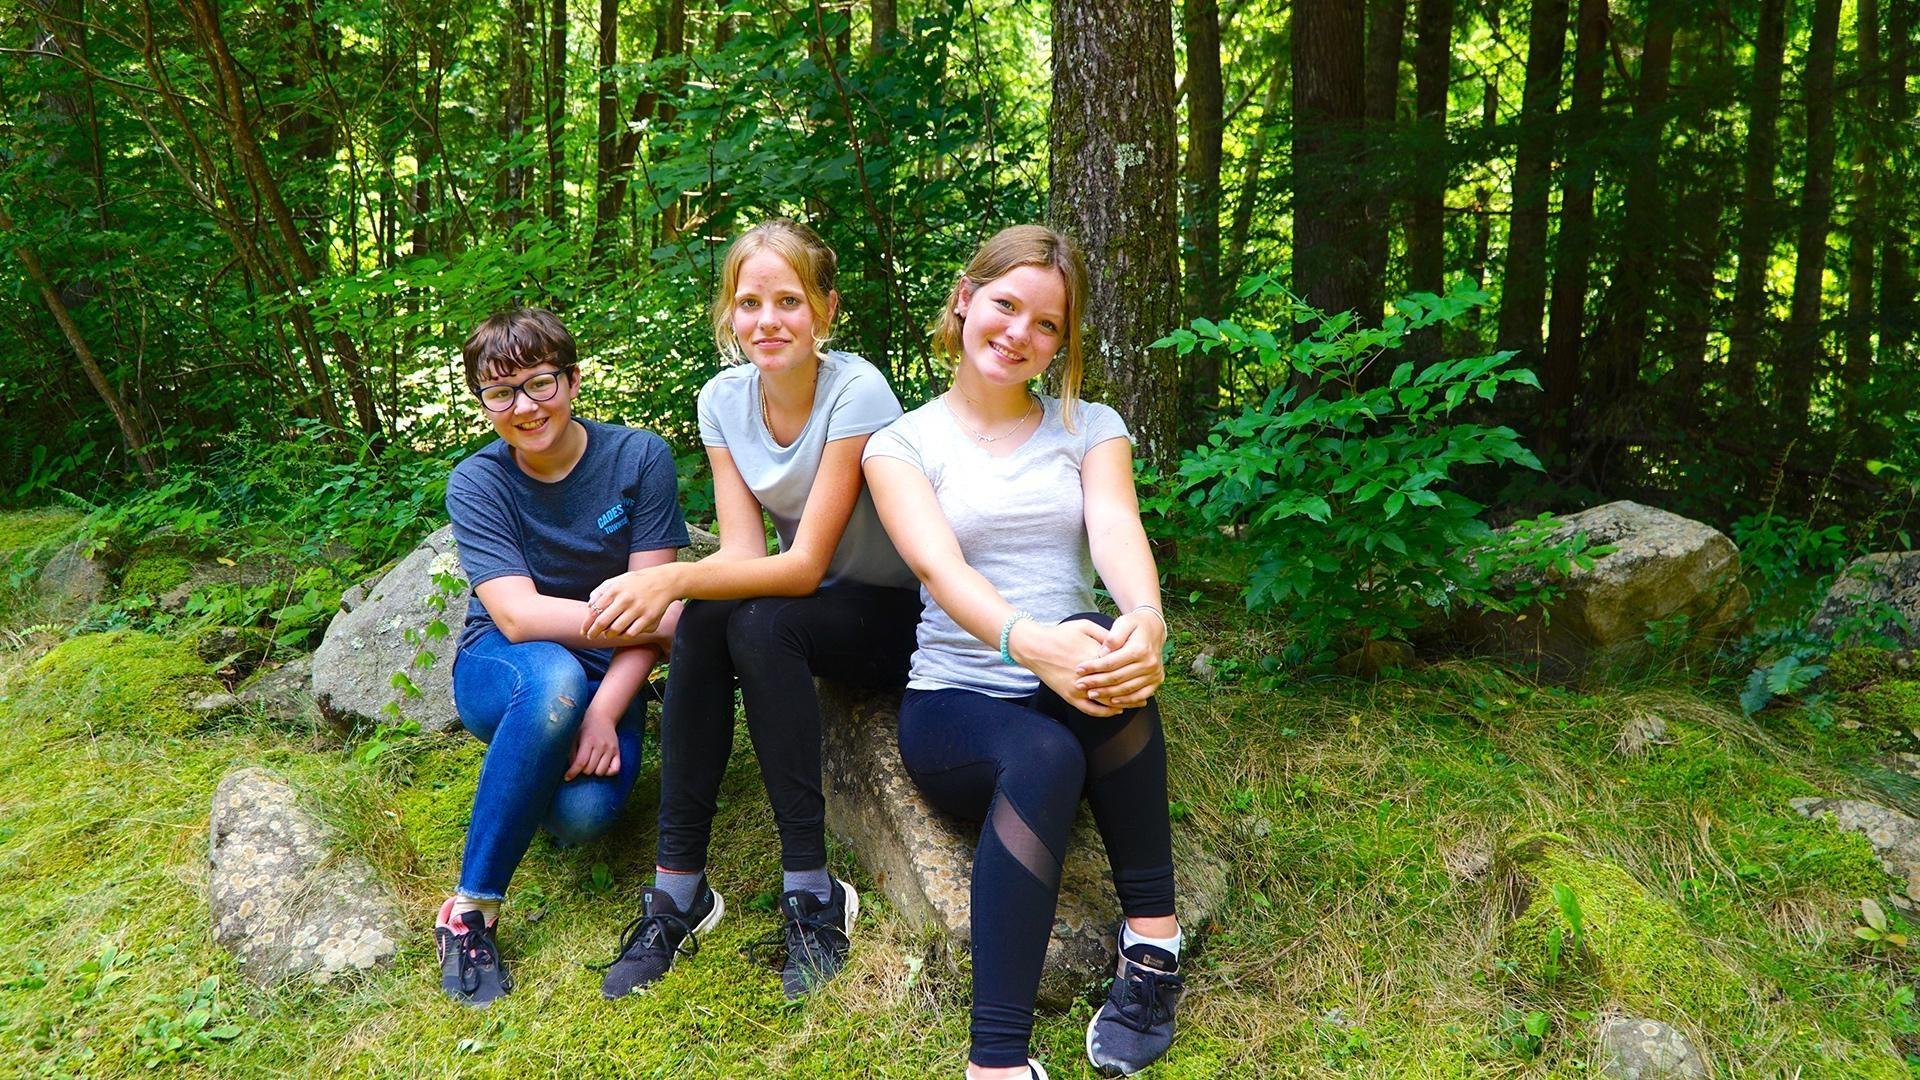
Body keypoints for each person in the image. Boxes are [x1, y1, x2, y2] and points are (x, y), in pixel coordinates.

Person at [862, 225, 1184, 1079]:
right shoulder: (902, 444)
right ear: (965, 298)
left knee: (1116, 686)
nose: (1020, 334)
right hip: (954, 704)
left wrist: (1144, 622)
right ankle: (996, 1062)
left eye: (1048, 325)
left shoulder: (1091, 426)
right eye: (1006, 305)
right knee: (1040, 750)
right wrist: (1025, 642)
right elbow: (938, 563)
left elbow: (1116, 526)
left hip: (1074, 674)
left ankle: (1153, 944)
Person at [587, 219, 921, 1000]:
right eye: (749, 303)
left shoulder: (858, 390)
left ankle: (812, 891)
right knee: (710, 617)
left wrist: (666, 580)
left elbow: (802, 567)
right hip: (815, 603)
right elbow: (740, 553)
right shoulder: (722, 401)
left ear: (825, 312)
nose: (767, 321)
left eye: (788, 301)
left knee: (753, 617)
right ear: (728, 316)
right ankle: (678, 891)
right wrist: (689, 589)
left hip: (900, 611)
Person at [436, 306, 690, 1006]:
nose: (524, 406)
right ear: (484, 403)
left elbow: (654, 601)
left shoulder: (639, 458)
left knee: (583, 819)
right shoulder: (477, 482)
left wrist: (606, 710)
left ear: (573, 380)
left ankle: (536, 760)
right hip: (507, 664)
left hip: (610, 674)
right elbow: (517, 617)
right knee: (552, 679)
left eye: (540, 383)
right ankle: (471, 912)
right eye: (500, 391)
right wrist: (656, 623)